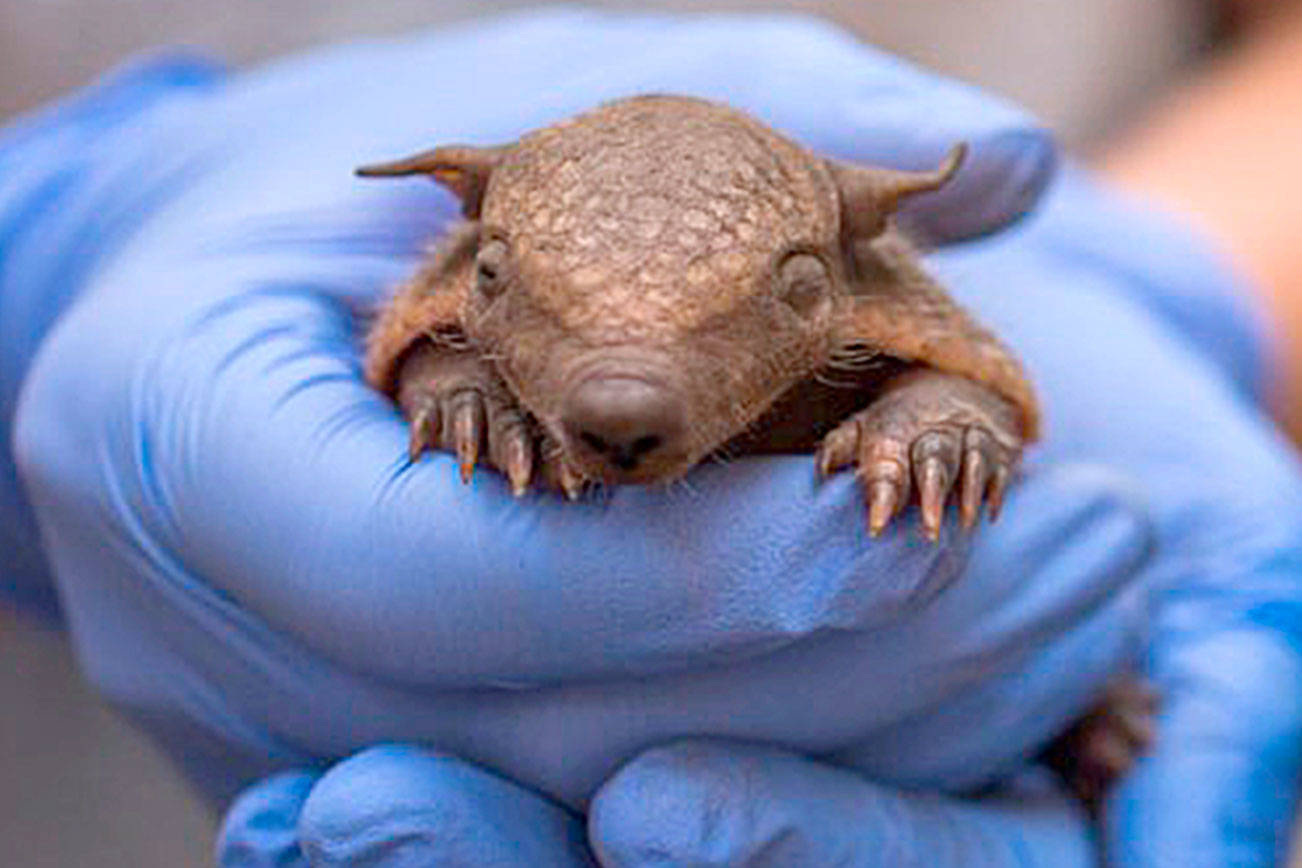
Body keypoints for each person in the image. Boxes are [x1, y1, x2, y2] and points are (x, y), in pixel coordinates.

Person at [3, 8, 1299, 866]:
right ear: (469, 251)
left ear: (844, 269)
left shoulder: (872, 304)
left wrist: (1195, 268)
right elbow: (433, 344)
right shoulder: (454, 311)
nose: (625, 402)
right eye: (512, 299)